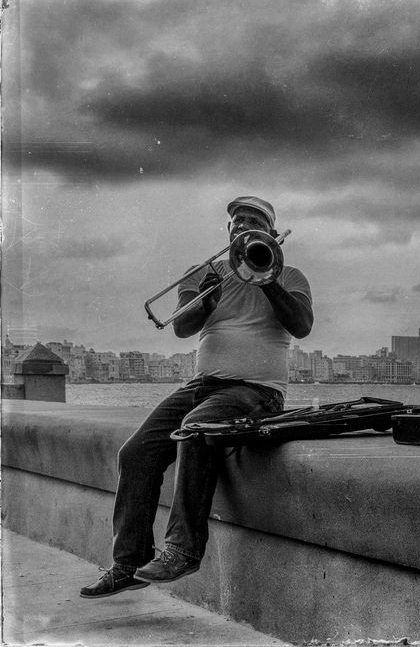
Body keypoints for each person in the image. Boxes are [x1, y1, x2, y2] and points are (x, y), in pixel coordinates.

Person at [81, 196, 314, 598]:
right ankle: (128, 563)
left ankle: (183, 550)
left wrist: (267, 279)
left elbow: (303, 325)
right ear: (228, 232)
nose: (242, 224)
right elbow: (182, 329)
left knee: (194, 429)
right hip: (201, 385)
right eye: (236, 220)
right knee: (135, 454)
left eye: (253, 219)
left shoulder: (290, 275)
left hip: (256, 390)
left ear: (271, 234)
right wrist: (206, 299)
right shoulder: (205, 274)